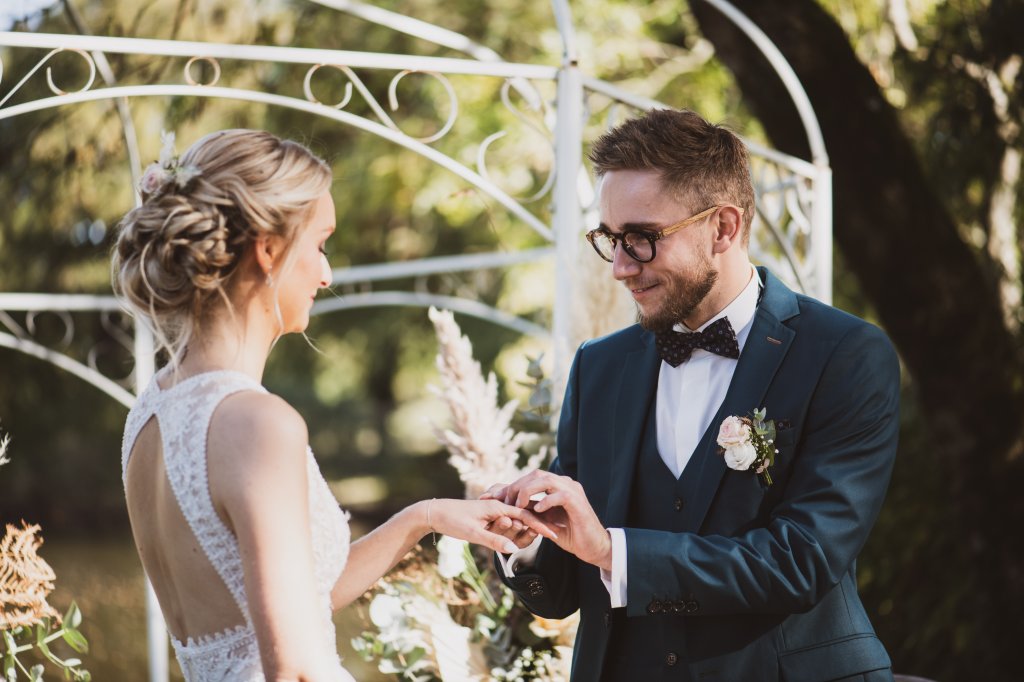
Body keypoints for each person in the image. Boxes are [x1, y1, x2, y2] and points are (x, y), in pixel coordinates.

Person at [113, 129, 554, 681]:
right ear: (268, 250)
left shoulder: (150, 413)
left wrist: (426, 517)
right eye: (320, 244)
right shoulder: (257, 423)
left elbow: (288, 605)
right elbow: (294, 668)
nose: (327, 273)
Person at [485, 109, 900, 681]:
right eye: (611, 240)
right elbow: (563, 590)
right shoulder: (599, 368)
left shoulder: (844, 355)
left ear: (723, 228)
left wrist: (614, 551)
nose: (621, 269)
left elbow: (802, 561)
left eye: (641, 239)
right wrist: (527, 541)